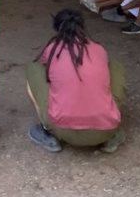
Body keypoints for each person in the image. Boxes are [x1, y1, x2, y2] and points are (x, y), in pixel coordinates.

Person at [26, 9, 125, 153]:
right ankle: (111, 135)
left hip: (62, 130)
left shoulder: (53, 48)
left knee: (33, 68)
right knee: (114, 66)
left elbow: (43, 67)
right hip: (105, 130)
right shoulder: (98, 49)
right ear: (82, 27)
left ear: (57, 28)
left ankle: (46, 129)